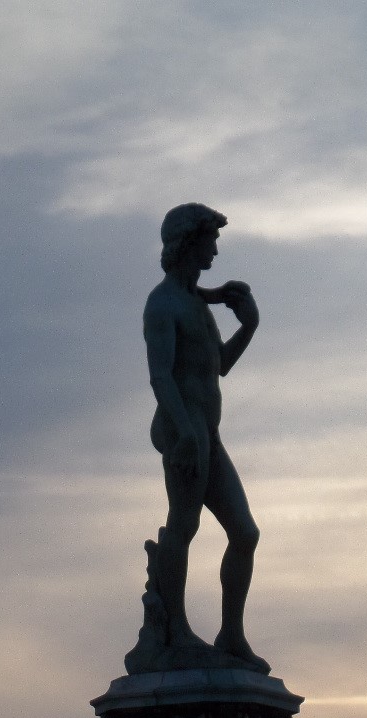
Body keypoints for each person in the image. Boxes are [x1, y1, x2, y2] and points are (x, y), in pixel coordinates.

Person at [141, 202, 267, 672]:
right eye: (210, 239)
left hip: (207, 434)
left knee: (245, 532)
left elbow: (219, 367)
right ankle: (175, 629)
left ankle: (230, 635)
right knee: (185, 525)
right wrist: (186, 433)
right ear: (188, 243)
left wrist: (250, 325)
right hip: (183, 434)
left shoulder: (196, 303)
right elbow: (160, 376)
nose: (216, 248)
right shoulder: (163, 303)